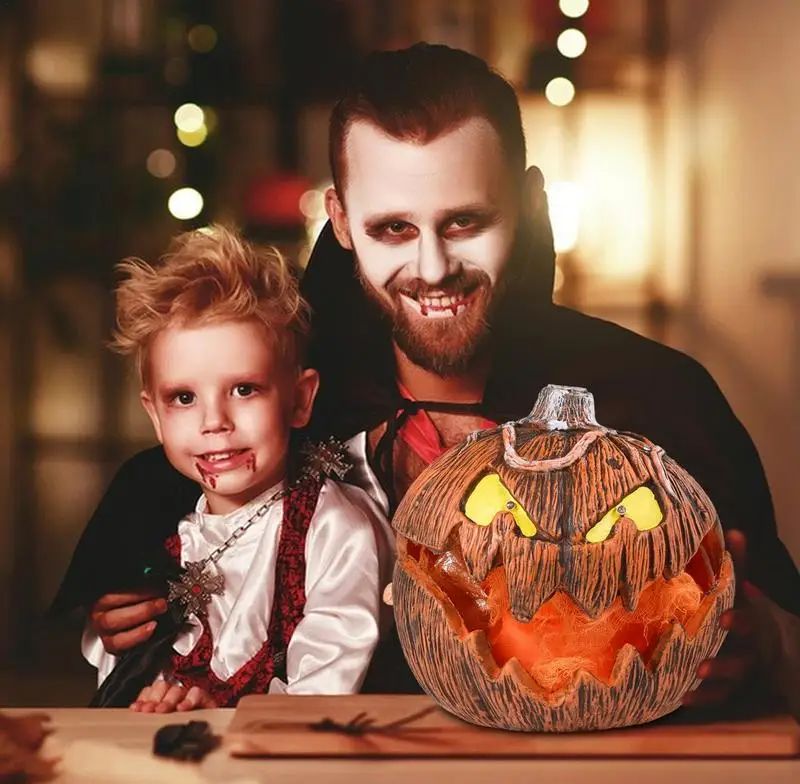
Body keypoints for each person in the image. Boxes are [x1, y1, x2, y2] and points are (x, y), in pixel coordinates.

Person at [52, 43, 800, 712]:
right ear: (341, 222)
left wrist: (760, 638)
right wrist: (137, 607)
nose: (434, 267)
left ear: (531, 203)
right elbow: (190, 525)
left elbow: (780, 638)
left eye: (466, 222)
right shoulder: (282, 406)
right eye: (393, 229)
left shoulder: (659, 395)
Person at [60, 224, 393, 712]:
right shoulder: (158, 532)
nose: (214, 422)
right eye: (184, 397)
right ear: (154, 415)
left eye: (244, 389)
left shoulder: (335, 531)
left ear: (300, 400)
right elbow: (123, 673)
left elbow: (325, 693)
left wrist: (221, 718)